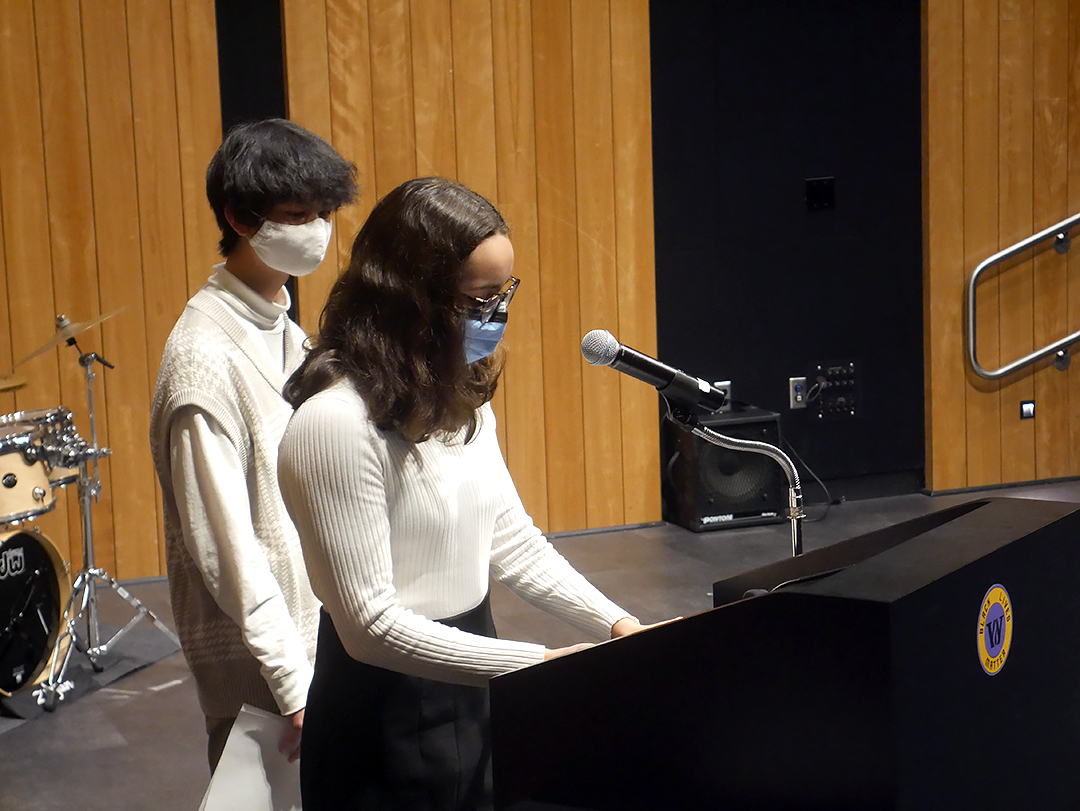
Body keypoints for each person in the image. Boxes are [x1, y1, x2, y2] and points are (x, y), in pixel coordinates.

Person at [277, 176, 652, 811]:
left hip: (470, 669)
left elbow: (514, 544)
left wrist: (618, 626)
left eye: (503, 295)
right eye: (477, 300)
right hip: (383, 705)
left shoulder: (459, 398)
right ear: (407, 298)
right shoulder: (334, 425)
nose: (494, 318)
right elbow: (370, 627)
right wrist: (538, 665)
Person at [149, 118, 358, 772]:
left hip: (312, 637)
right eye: (298, 214)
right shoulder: (202, 358)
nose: (316, 231)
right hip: (261, 662)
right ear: (243, 218)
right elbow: (224, 546)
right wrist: (293, 682)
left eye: (324, 213)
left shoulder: (283, 328)